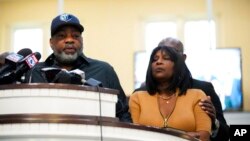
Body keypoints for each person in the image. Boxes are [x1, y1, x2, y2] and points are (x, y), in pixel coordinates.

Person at [24, 13, 131, 122]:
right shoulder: (35, 72)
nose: (70, 40)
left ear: (82, 40)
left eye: (75, 36)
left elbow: (123, 115)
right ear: (51, 43)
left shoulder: (104, 70)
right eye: (62, 36)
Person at [136, 37, 229, 141]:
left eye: (168, 55)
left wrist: (214, 122)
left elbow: (226, 136)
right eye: (156, 57)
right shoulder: (140, 94)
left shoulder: (203, 90)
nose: (160, 61)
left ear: (183, 58)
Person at [129, 46, 211, 141]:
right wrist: (185, 136)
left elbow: (203, 137)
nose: (158, 62)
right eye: (154, 59)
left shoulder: (197, 95)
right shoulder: (137, 98)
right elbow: (136, 137)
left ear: (177, 65)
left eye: (166, 58)